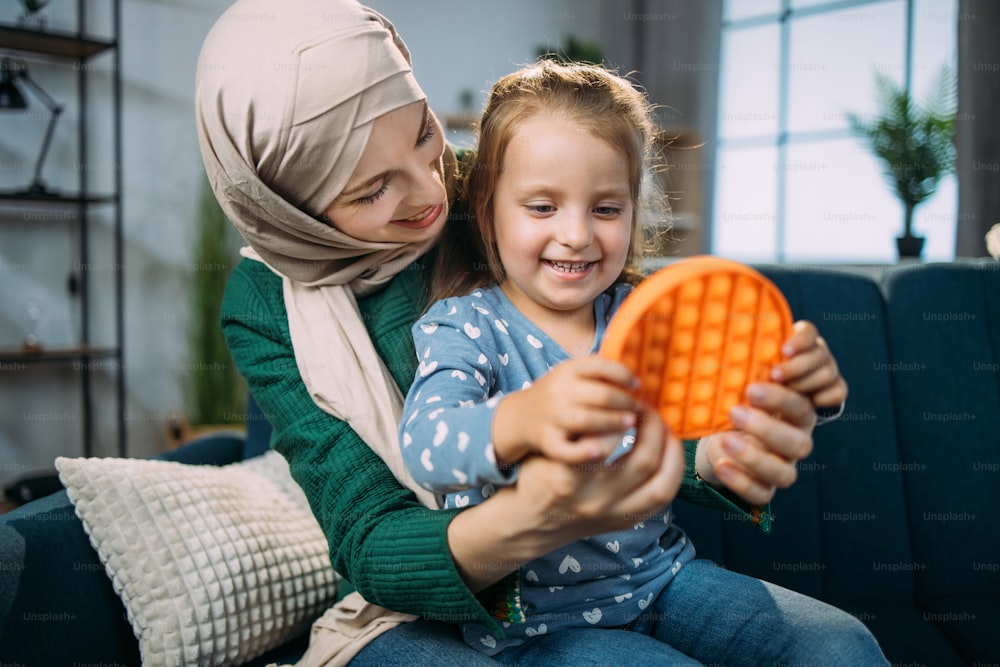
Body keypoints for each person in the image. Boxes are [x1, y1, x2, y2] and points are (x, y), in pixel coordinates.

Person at [196, 0, 870, 665]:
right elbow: (385, 511)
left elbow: (653, 375)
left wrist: (730, 437)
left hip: (649, 571)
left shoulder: (511, 189)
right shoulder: (291, 307)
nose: (432, 190)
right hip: (466, 603)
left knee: (840, 646)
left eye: (424, 132)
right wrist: (537, 488)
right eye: (373, 189)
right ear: (290, 207)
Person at [399, 60, 887, 665]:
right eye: (543, 207)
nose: (577, 235)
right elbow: (425, 445)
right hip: (537, 626)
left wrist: (801, 385)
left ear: (634, 209)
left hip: (663, 581)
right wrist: (522, 418)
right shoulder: (464, 326)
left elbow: (732, 399)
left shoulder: (646, 314)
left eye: (605, 209)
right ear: (489, 209)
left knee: (841, 646)